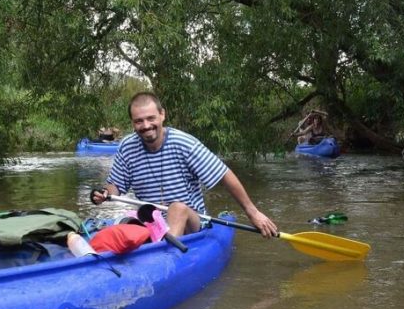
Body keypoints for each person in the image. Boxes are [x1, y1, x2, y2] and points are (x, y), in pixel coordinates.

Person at [90, 91, 278, 238]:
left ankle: (166, 255)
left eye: (151, 118)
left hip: (191, 223)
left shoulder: (184, 143)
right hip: (153, 222)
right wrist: (105, 194)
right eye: (139, 121)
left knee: (177, 208)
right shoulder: (127, 147)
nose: (146, 125)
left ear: (162, 115)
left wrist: (253, 213)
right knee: (125, 219)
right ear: (133, 123)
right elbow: (115, 186)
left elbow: (224, 174)